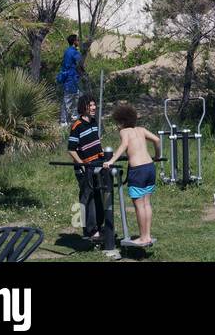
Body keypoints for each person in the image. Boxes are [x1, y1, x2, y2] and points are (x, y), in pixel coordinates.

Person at [105, 103, 161, 245]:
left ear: (122, 122)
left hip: (138, 171)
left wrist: (111, 160)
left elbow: (124, 145)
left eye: (117, 123)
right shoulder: (141, 129)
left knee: (139, 205)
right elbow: (157, 139)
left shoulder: (124, 132)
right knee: (147, 203)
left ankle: (143, 237)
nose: (117, 127)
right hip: (149, 167)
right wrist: (157, 156)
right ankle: (147, 235)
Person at [67, 95, 106, 240]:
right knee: (87, 197)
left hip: (97, 164)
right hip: (85, 167)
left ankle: (99, 226)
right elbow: (71, 149)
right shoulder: (76, 125)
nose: (94, 107)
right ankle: (89, 230)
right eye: (91, 105)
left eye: (94, 105)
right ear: (84, 107)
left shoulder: (94, 122)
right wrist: (81, 164)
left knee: (98, 196)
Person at [56, 34, 82, 126]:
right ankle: (65, 121)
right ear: (74, 42)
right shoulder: (74, 52)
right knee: (70, 100)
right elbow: (80, 64)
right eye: (77, 40)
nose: (78, 41)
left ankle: (67, 120)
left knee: (70, 100)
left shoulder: (67, 51)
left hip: (68, 79)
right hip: (72, 79)